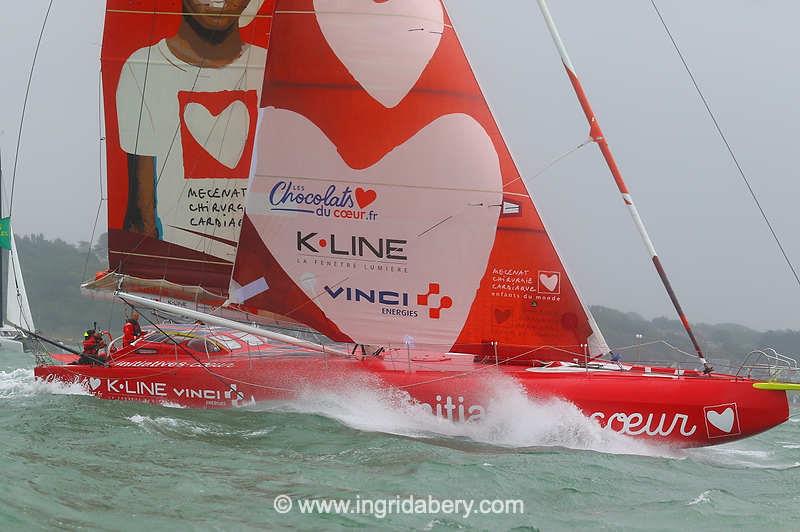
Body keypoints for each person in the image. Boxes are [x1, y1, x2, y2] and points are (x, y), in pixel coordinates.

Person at [116, 0, 267, 262]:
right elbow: (141, 212)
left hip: (261, 274)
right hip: (177, 275)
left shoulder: (273, 66)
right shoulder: (142, 67)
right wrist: (145, 275)